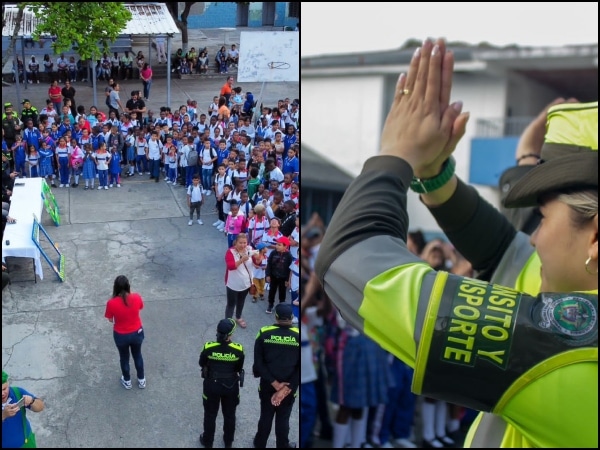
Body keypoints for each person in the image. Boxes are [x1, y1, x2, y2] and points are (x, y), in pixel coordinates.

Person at [314, 38, 598, 448]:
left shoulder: (570, 347)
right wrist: (434, 178)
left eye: (544, 216)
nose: (534, 236)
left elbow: (348, 258)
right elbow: (507, 253)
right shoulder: (577, 289)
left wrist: (396, 154)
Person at [252, 303, 300, 449]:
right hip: (289, 387)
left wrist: (275, 383)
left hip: (267, 384)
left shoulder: (263, 332)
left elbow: (258, 364)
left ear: (276, 317)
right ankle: (283, 445)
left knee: (266, 415)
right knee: (283, 419)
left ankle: (260, 443)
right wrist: (285, 388)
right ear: (291, 317)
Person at [198, 318, 245, 449]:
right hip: (231, 386)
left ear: (217, 331)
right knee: (230, 415)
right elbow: (238, 367)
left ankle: (208, 442)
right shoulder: (238, 349)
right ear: (231, 335)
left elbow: (201, 363)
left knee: (210, 415)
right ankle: (228, 442)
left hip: (211, 385)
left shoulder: (208, 347)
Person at [104, 275, 146, 390]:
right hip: (137, 332)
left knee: (124, 357)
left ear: (115, 288)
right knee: (137, 355)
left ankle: (127, 381)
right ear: (128, 286)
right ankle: (141, 379)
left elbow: (110, 319)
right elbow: (140, 307)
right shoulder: (137, 297)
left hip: (121, 335)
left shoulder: (111, 303)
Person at [2, 370, 46, 448]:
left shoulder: (17, 392)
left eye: (4, 389)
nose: (2, 394)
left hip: (27, 444)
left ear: (8, 384)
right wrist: (3, 415)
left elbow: (40, 407)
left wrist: (32, 401)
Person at [224, 233, 254, 329]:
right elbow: (231, 267)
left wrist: (259, 257)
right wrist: (241, 260)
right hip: (233, 284)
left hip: (246, 283)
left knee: (241, 301)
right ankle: (228, 323)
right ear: (235, 243)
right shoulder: (230, 252)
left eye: (245, 242)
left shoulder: (249, 249)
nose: (243, 245)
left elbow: (257, 261)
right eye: (240, 243)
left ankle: (238, 317)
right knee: (231, 304)